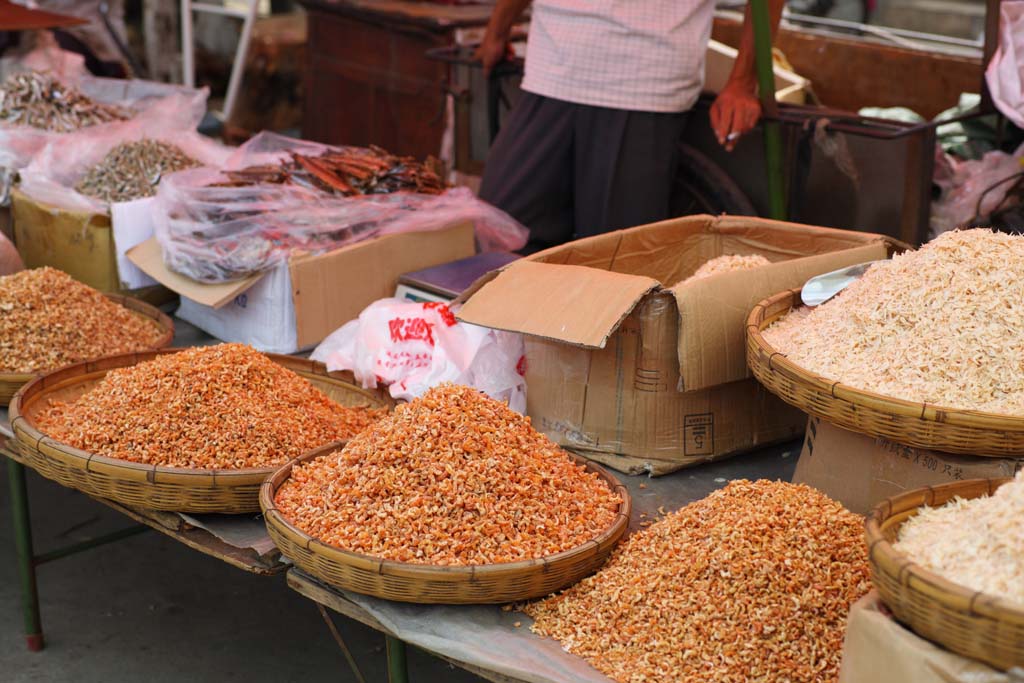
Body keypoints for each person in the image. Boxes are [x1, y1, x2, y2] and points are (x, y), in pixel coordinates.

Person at [476, 0, 784, 251]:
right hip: (549, 67)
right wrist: (497, 29)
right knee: (502, 233)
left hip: (641, 81)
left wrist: (743, 82)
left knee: (615, 259)